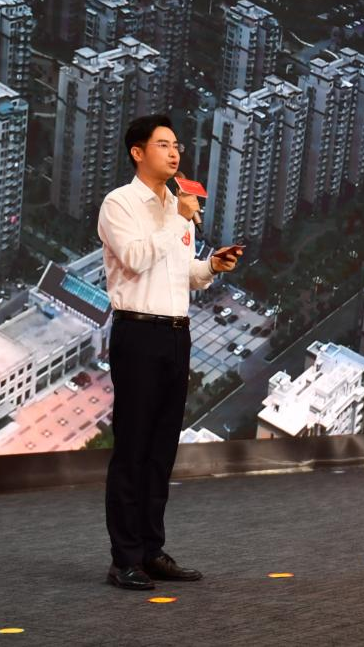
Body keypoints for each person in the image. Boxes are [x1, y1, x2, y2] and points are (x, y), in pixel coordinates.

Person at [96, 114, 243, 590]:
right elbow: (137, 259)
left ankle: (151, 550)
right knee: (133, 449)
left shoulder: (178, 206)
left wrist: (211, 266)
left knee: (161, 451)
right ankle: (124, 558)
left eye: (177, 144)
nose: (175, 152)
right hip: (137, 334)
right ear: (138, 152)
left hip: (177, 335)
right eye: (163, 144)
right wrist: (178, 218)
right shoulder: (119, 204)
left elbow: (184, 276)